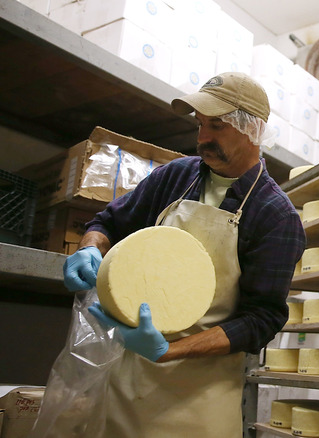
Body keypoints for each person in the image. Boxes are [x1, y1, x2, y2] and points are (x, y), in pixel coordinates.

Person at [61, 72, 306, 437]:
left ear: (252, 130)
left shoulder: (275, 215)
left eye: (217, 126)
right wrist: (89, 248)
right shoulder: (175, 176)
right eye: (200, 124)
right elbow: (108, 222)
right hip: (129, 380)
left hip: (200, 395)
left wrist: (168, 350)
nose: (202, 138)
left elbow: (262, 320)